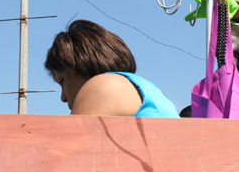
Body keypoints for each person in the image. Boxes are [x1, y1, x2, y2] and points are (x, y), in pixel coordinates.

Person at [45, 20, 180, 118]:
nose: (63, 97)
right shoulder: (151, 91)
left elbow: (66, 150)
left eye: (62, 81)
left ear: (82, 65)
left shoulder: (106, 86)